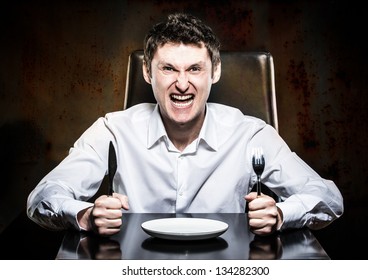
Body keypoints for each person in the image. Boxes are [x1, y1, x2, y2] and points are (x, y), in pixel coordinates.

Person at [27, 13, 343, 237]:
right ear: (148, 74)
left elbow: (328, 197)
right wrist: (84, 215)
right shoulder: (112, 130)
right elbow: (43, 196)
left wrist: (280, 215)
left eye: (194, 69)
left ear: (214, 72)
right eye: (168, 69)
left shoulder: (252, 134)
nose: (182, 83)